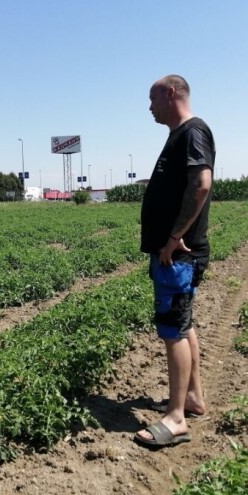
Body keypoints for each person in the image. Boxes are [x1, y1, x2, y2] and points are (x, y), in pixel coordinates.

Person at [134, 75, 214, 448]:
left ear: (170, 94)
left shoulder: (193, 132)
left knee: (173, 329)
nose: (150, 107)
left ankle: (176, 417)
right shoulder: (179, 134)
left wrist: (173, 238)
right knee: (183, 323)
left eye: (152, 100)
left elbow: (200, 184)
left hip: (177, 256)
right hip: (175, 254)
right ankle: (194, 397)